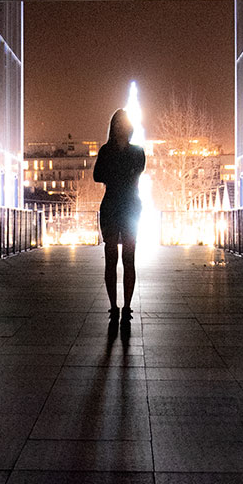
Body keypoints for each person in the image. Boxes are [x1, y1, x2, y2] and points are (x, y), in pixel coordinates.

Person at [93, 108, 146, 326]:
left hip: (116, 205)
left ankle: (119, 307)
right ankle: (120, 307)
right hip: (127, 205)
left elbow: (99, 176)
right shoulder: (136, 152)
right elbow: (134, 174)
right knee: (121, 258)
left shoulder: (107, 151)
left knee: (119, 258)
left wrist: (112, 173)